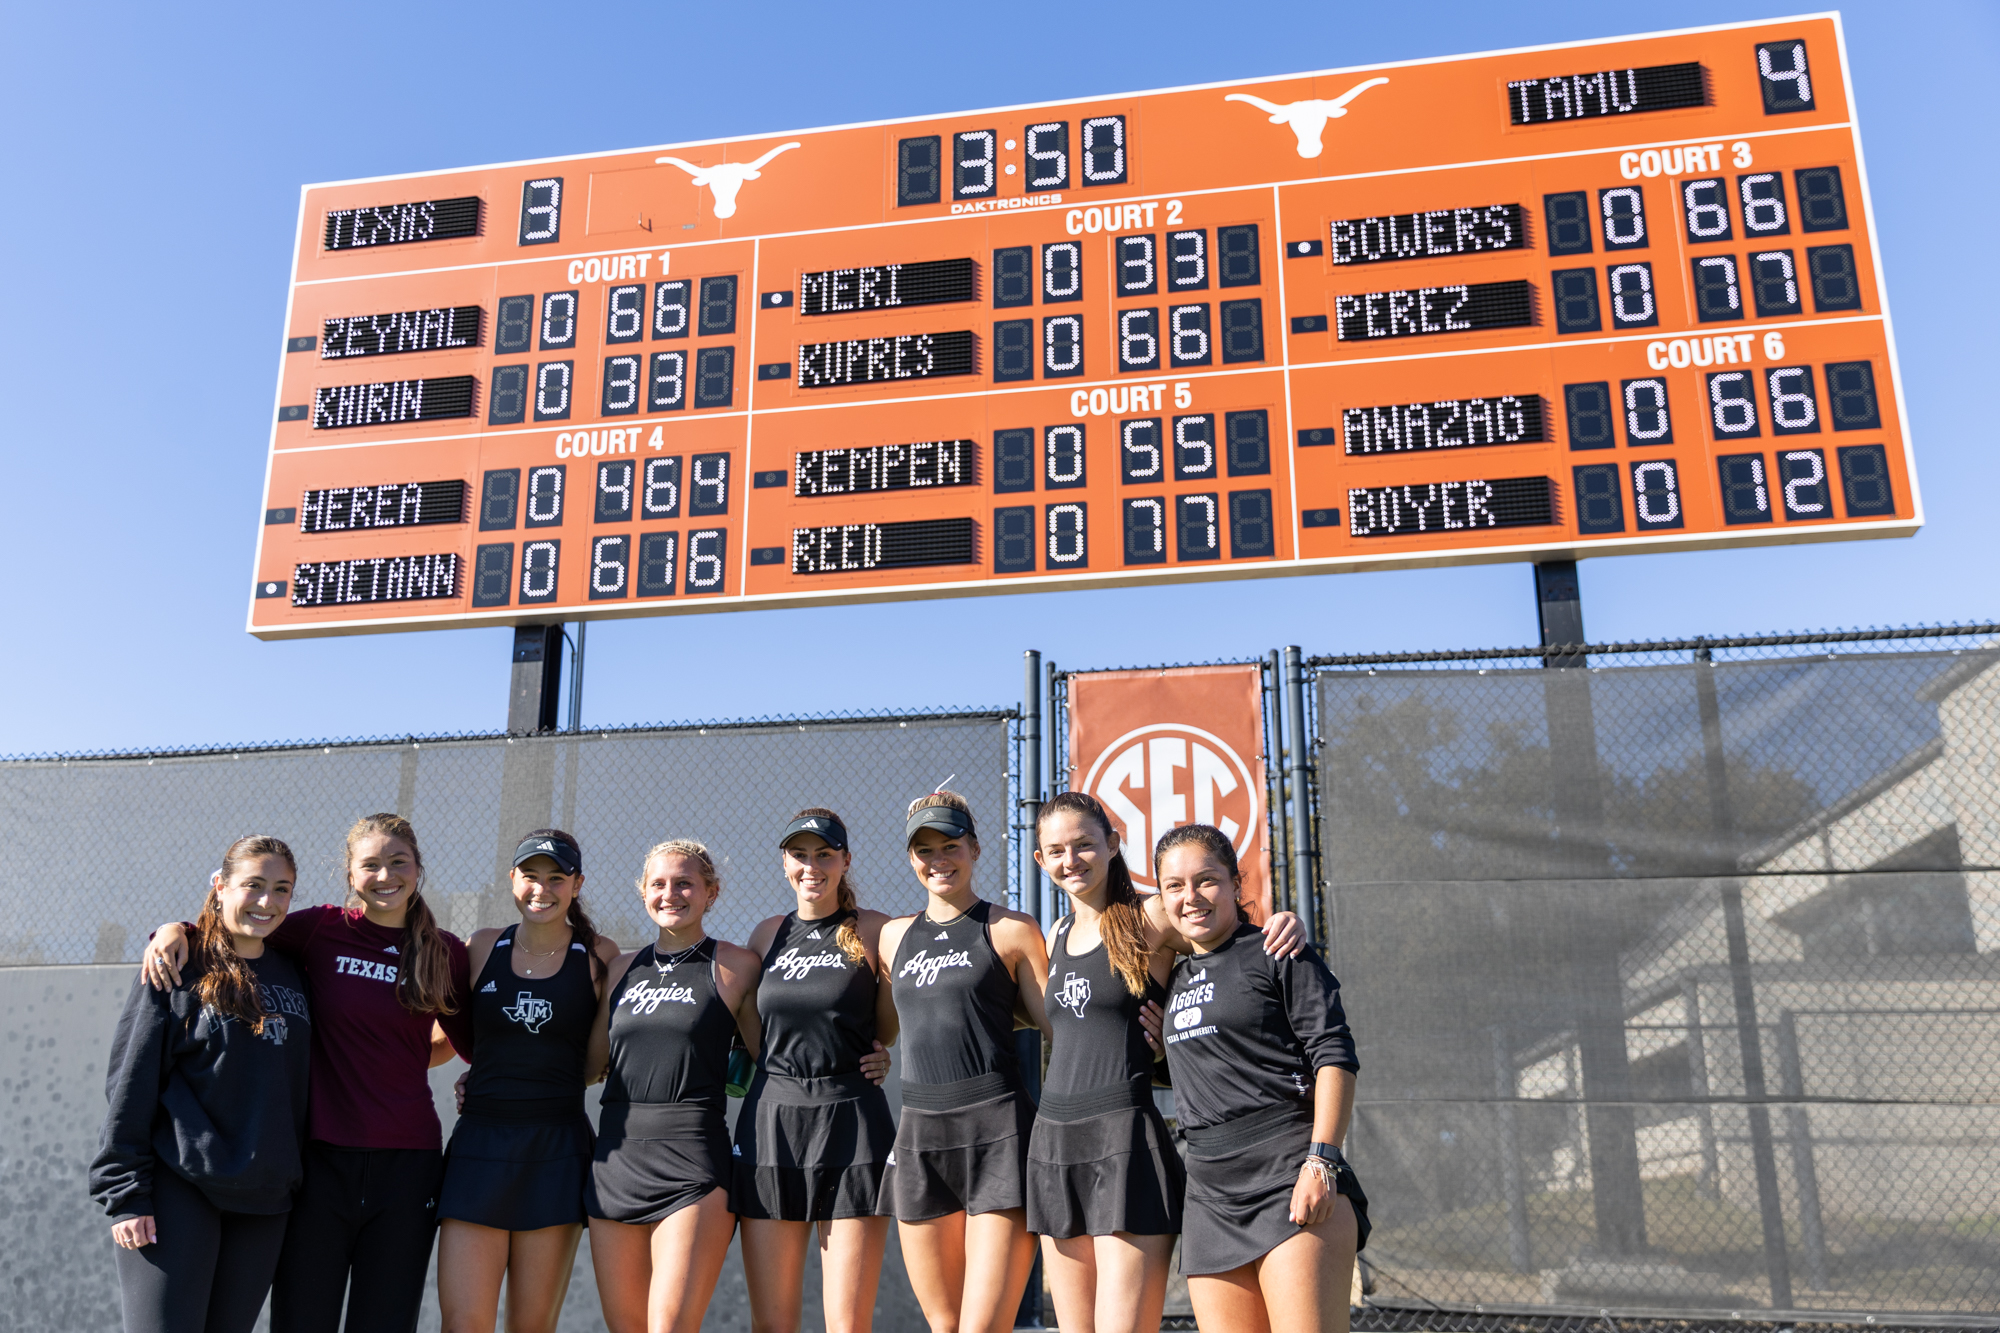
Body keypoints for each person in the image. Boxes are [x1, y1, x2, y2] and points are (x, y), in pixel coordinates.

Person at [141, 813, 473, 1333]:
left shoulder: (446, 951)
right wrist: (175, 929)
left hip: (408, 1165)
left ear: (418, 868)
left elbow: (470, 1041)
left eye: (398, 862)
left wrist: (451, 1066)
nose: (385, 875)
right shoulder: (319, 930)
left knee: (385, 1321)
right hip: (318, 1161)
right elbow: (242, 927)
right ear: (349, 874)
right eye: (370, 865)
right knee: (302, 1318)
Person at [1028, 791, 1303, 1333]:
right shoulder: (1053, 936)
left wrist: (1282, 924)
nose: (1071, 860)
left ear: (1112, 845)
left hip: (1124, 1139)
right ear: (1040, 859)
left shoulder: (1151, 915)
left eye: (1084, 845)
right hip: (1054, 1144)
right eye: (1056, 850)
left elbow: (1228, 945)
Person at [1154, 824, 1368, 1333]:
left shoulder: (1278, 951)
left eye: (1206, 880)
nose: (1191, 897)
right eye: (1174, 886)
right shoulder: (1169, 977)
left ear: (1234, 883)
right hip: (1209, 1193)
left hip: (1288, 1175)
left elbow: (1335, 1057)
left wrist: (1321, 1162)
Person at [93, 836, 312, 1333]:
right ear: (220, 885)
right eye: (253, 885)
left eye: (281, 889)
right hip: (180, 1188)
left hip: (264, 1198)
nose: (266, 901)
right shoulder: (177, 964)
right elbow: (131, 1080)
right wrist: (125, 1193)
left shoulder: (297, 971)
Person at [877, 792, 1049, 1333]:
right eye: (925, 849)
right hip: (920, 1137)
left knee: (982, 1328)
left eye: (950, 845)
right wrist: (866, 1054)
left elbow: (1061, 1027)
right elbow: (883, 1028)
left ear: (974, 848)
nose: (939, 859)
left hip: (998, 1131)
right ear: (911, 859)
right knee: (945, 1325)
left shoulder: (1012, 930)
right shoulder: (891, 937)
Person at [437, 830, 621, 1333]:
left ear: (577, 884)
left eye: (556, 878)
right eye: (530, 876)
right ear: (513, 880)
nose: (542, 889)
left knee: (531, 1325)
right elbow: (440, 1039)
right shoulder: (479, 947)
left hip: (555, 1148)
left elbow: (593, 1064)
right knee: (463, 1324)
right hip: (479, 1146)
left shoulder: (601, 957)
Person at [583, 839, 763, 1333]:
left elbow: (774, 1059)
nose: (671, 894)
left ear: (711, 892)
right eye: (659, 884)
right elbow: (587, 1066)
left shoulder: (735, 965)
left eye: (685, 882)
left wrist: (865, 1054)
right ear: (643, 891)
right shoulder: (621, 968)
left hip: (693, 1164)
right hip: (614, 1163)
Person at [734, 808, 898, 1333]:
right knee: (773, 1323)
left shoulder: (875, 930)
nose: (812, 866)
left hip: (852, 1123)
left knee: (846, 1323)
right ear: (784, 862)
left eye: (825, 854)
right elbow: (754, 1033)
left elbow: (888, 1022)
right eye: (800, 854)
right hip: (772, 1124)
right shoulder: (765, 935)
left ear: (845, 861)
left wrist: (879, 1052)